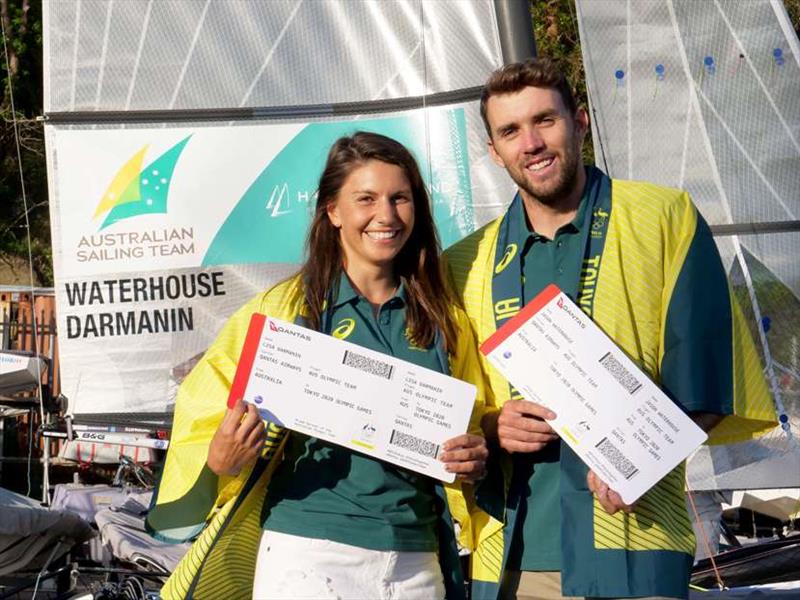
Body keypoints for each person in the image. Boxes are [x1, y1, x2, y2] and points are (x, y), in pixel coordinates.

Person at [444, 58, 776, 600]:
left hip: (634, 540)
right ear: (493, 151)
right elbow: (448, 416)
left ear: (579, 121)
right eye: (510, 131)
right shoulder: (463, 261)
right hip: (509, 557)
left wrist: (641, 458)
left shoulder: (664, 216)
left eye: (544, 121)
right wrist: (490, 427)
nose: (531, 142)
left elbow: (708, 379)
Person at [147, 132, 493, 600]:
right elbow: (204, 413)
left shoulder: (443, 318)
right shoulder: (280, 310)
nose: (386, 216)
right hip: (308, 554)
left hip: (417, 557)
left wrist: (472, 454)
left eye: (400, 198)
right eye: (365, 199)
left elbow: (472, 426)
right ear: (332, 211)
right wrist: (217, 459)